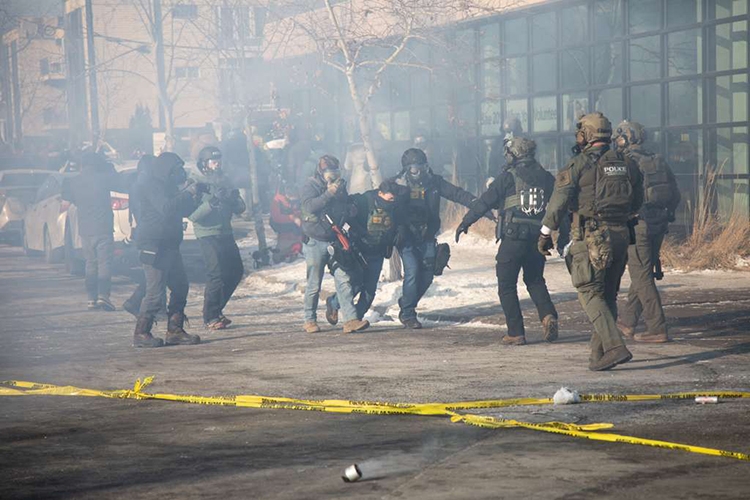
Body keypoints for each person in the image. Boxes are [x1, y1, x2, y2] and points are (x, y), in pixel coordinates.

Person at [538, 112, 643, 371]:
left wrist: (545, 233)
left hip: (591, 236)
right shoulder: (627, 163)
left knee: (588, 292)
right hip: (621, 235)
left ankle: (615, 347)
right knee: (608, 295)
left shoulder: (579, 164)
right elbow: (638, 200)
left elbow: (558, 202)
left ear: (585, 135)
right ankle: (598, 355)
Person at [455, 137, 558, 345]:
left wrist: (465, 222)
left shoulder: (507, 177)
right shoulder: (546, 177)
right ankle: (548, 315)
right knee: (535, 280)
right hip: (537, 238)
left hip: (513, 238)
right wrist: (564, 235)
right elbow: (559, 205)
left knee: (507, 285)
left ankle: (516, 332)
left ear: (515, 155)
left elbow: (484, 202)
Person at [392, 148, 481, 329]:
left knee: (427, 277)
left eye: (422, 167)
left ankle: (407, 302)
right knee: (412, 272)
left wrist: (478, 204)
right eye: (414, 168)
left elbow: (457, 194)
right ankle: (408, 313)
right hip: (406, 237)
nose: (419, 172)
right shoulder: (397, 185)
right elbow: (380, 200)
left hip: (427, 236)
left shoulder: (434, 182)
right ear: (407, 169)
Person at [613, 121, 681, 343]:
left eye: (619, 137)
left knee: (641, 276)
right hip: (658, 223)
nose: (616, 141)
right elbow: (675, 194)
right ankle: (627, 322)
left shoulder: (626, 162)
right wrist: (666, 214)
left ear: (627, 138)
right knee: (642, 273)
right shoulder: (657, 159)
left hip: (638, 225)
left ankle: (657, 327)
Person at [132, 152, 204, 348]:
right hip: (154, 244)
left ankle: (175, 330)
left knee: (180, 286)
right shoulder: (152, 185)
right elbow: (165, 208)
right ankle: (141, 332)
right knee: (155, 291)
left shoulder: (169, 186)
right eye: (176, 170)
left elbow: (182, 210)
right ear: (166, 170)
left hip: (170, 245)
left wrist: (195, 196)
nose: (180, 173)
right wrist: (187, 192)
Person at [300, 155, 369, 334]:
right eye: (329, 172)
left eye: (335, 172)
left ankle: (350, 320)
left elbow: (342, 207)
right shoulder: (311, 185)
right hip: (315, 241)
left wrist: (349, 209)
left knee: (343, 278)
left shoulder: (340, 186)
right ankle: (309, 320)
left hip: (334, 239)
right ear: (321, 172)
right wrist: (328, 193)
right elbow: (309, 206)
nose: (333, 176)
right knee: (314, 283)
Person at [326, 179, 402, 323]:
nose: (392, 201)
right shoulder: (364, 201)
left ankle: (356, 319)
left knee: (369, 291)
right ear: (380, 193)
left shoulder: (395, 206)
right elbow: (347, 217)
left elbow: (397, 224)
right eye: (390, 198)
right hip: (360, 251)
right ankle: (334, 303)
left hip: (378, 252)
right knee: (354, 285)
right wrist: (361, 232)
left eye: (394, 199)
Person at [188, 146, 246, 330]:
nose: (217, 164)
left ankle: (216, 309)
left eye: (219, 161)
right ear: (204, 164)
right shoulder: (195, 183)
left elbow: (241, 208)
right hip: (207, 234)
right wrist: (212, 202)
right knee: (216, 275)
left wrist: (234, 200)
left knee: (236, 271)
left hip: (225, 231)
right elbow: (193, 216)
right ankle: (210, 316)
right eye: (214, 161)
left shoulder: (224, 179)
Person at [62, 152, 127, 311]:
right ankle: (103, 296)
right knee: (104, 263)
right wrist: (109, 168)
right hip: (103, 227)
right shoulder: (104, 178)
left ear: (82, 164)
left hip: (85, 229)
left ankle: (91, 298)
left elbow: (67, 202)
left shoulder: (73, 181)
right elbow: (121, 184)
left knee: (90, 263)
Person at [122, 154, 156, 317]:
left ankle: (137, 302)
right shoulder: (144, 185)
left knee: (156, 274)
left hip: (144, 232)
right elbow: (144, 213)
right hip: (148, 234)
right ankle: (135, 302)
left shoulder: (138, 184)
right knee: (154, 274)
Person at [269, 182, 304, 263]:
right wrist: (293, 218)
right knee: (277, 258)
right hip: (285, 231)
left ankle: (297, 248)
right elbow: (276, 218)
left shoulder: (300, 196)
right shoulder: (277, 200)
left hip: (299, 233)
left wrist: (299, 217)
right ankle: (291, 249)